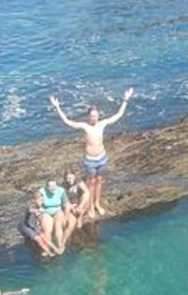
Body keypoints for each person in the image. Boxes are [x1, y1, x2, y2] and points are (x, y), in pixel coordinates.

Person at [49, 87, 133, 217]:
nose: (94, 117)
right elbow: (68, 122)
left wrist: (125, 99)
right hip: (90, 160)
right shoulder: (85, 126)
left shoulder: (102, 123)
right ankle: (90, 207)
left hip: (102, 158)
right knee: (91, 182)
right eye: (92, 116)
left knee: (99, 180)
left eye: (96, 115)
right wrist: (57, 107)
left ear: (98, 116)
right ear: (89, 117)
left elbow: (118, 115)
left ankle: (97, 204)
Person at [20, 191, 61, 257]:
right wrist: (38, 211)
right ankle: (49, 252)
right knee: (38, 239)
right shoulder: (30, 206)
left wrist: (39, 223)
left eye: (42, 200)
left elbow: (37, 217)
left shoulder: (40, 207)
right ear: (34, 200)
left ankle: (56, 249)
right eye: (40, 200)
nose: (41, 202)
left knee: (44, 237)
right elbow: (30, 210)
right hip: (26, 226)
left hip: (33, 225)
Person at [39, 179, 70, 253]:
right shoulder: (42, 191)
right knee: (47, 230)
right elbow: (38, 204)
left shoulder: (61, 190)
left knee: (58, 227)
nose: (53, 188)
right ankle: (47, 248)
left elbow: (67, 204)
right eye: (51, 186)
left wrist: (66, 217)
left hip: (57, 210)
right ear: (47, 187)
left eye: (54, 186)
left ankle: (60, 245)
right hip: (46, 211)